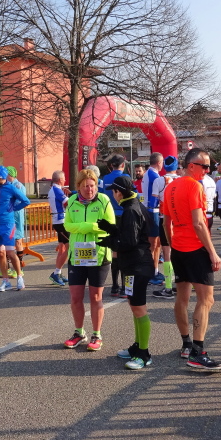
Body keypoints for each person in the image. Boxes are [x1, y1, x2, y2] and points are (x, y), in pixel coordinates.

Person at [162, 149, 221, 371]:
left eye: (209, 166)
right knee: (206, 300)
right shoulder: (194, 186)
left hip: (179, 248)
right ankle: (198, 353)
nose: (208, 170)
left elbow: (166, 222)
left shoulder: (170, 187)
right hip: (195, 248)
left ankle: (186, 344)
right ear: (191, 166)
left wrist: (173, 244)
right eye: (204, 166)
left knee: (182, 298)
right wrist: (212, 252)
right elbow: (199, 223)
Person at [99, 175, 154, 369]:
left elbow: (129, 242)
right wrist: (112, 229)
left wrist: (110, 241)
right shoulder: (133, 206)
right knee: (134, 305)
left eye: (113, 191)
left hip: (138, 265)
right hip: (132, 266)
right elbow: (132, 234)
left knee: (139, 308)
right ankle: (137, 346)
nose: (113, 195)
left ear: (119, 192)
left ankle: (144, 354)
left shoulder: (131, 210)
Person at [63, 169, 115, 351]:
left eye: (92, 186)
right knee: (75, 297)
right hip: (77, 256)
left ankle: (96, 334)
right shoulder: (72, 201)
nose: (89, 189)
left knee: (95, 296)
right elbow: (67, 225)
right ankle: (79, 332)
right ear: (78, 187)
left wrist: (85, 227)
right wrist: (91, 226)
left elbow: (110, 226)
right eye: (85, 186)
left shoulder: (103, 200)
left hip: (99, 255)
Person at [0, 166, 30, 291]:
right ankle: (6, 281)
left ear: (2, 177)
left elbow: (26, 201)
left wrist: (13, 208)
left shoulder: (11, 188)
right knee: (0, 253)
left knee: (10, 252)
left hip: (8, 225)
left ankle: (19, 277)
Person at [152, 156, 181, 298]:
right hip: (181, 220)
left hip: (165, 219)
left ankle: (168, 287)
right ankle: (186, 283)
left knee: (167, 253)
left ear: (164, 166)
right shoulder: (182, 180)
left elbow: (154, 201)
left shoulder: (158, 180)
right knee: (182, 251)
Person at [102, 155, 128, 296]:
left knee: (114, 251)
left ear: (111, 165)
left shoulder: (106, 178)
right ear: (123, 165)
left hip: (110, 216)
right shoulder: (126, 178)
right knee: (124, 251)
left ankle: (114, 286)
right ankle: (124, 287)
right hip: (123, 215)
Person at [142, 152, 164, 286]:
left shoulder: (149, 173)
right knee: (153, 244)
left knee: (157, 243)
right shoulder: (154, 176)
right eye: (162, 163)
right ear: (159, 163)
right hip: (152, 211)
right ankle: (150, 273)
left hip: (152, 210)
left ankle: (154, 271)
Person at [48, 170, 71, 286]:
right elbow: (68, 203)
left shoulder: (55, 189)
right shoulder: (57, 190)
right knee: (70, 247)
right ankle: (56, 273)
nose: (65, 180)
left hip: (59, 220)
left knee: (62, 248)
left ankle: (59, 272)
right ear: (60, 180)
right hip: (60, 221)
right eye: (64, 178)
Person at [7, 166, 28, 274]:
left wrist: (13, 208)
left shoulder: (18, 186)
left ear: (10, 175)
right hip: (10, 216)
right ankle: (7, 268)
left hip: (17, 216)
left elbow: (21, 201)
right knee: (7, 241)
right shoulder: (9, 185)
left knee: (18, 240)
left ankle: (19, 267)